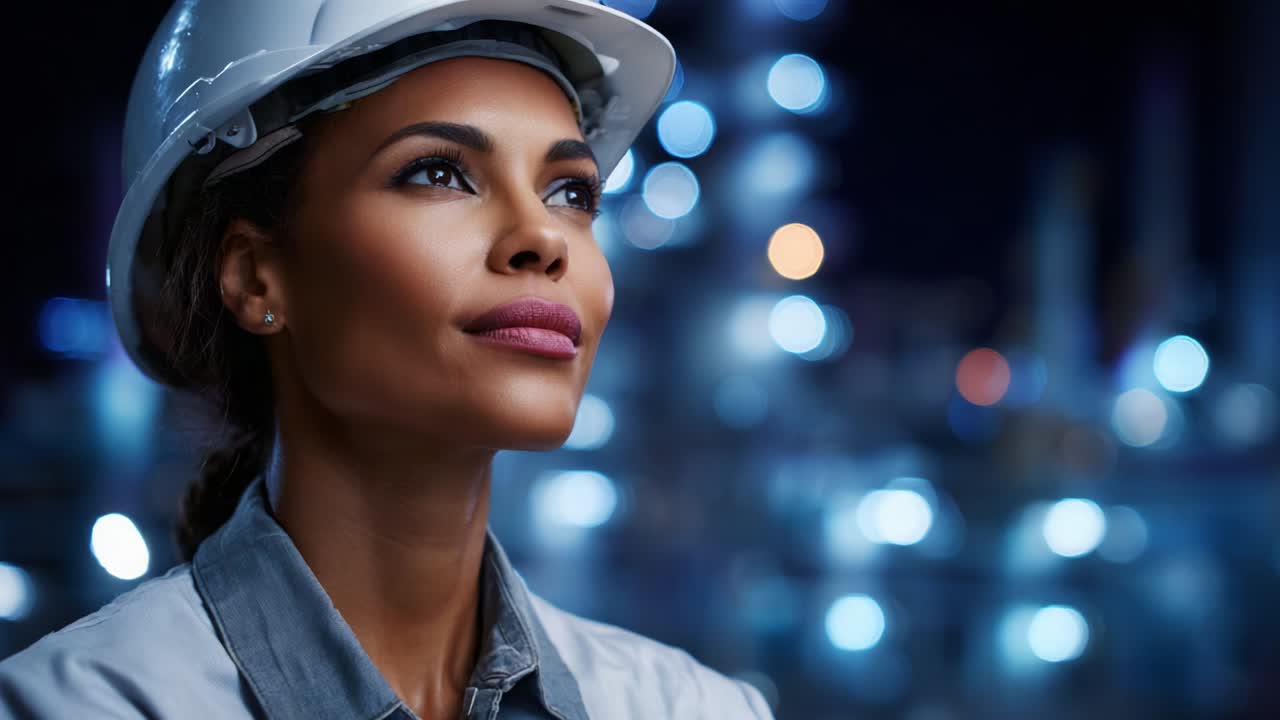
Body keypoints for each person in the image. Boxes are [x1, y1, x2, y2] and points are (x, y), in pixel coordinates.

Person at [0, 2, 773, 718]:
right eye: (439, 172)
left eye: (570, 192)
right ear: (255, 276)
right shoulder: (79, 705)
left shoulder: (690, 707)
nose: (543, 236)